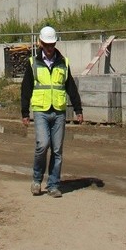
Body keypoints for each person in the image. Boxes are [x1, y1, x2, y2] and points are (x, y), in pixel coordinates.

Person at [21, 25, 83, 198]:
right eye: (46, 45)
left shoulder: (63, 63)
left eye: (52, 45)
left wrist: (78, 109)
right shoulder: (33, 63)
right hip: (41, 111)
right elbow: (26, 89)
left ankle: (53, 184)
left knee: (57, 150)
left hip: (58, 112)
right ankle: (36, 180)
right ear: (41, 43)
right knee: (42, 145)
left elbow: (71, 87)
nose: (49, 48)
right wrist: (24, 113)